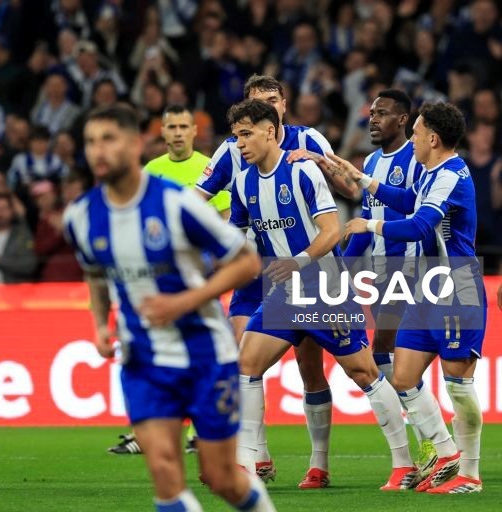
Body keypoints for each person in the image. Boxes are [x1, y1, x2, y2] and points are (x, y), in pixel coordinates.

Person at [64, 104, 274, 512]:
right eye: (90, 142)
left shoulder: (178, 203)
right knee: (164, 474)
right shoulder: (81, 216)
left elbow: (246, 261)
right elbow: (94, 273)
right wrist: (100, 325)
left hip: (205, 355)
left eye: (108, 139)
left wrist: (183, 301)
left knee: (220, 478)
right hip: (144, 360)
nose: (98, 151)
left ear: (134, 143)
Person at [227, 99, 416, 491]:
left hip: (323, 289)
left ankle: (404, 463)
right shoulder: (243, 182)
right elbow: (236, 235)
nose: (240, 143)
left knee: (363, 372)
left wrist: (297, 261)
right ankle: (245, 463)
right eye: (235, 136)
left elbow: (332, 231)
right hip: (283, 292)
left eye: (246, 134)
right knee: (246, 363)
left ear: (269, 131)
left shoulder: (301, 173)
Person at [196, 74, 357, 488]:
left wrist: (324, 165)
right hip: (255, 271)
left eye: (273, 100)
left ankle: (318, 463)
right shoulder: (234, 148)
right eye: (257, 101)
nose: (267, 106)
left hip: (305, 272)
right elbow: (200, 196)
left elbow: (348, 189)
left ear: (283, 105)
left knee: (310, 368)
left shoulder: (311, 141)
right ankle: (257, 458)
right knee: (244, 358)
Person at [340, 101, 487, 493]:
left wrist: (367, 223)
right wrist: (365, 181)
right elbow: (408, 202)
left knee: (457, 384)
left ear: (433, 139)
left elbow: (422, 226)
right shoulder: (430, 171)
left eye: (419, 132)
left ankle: (470, 474)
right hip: (426, 287)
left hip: (458, 286)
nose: (415, 139)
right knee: (403, 377)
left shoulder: (451, 176)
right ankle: (446, 454)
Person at [108, 103, 230, 455]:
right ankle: (146, 431)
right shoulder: (151, 170)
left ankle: (198, 430)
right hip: (160, 279)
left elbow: (224, 217)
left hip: (198, 279)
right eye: (171, 127)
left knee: (199, 353)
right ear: (161, 133)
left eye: (183, 126)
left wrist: (208, 258)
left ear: (195, 131)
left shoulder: (209, 168)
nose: (177, 132)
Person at [341, 89, 437, 472]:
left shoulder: (414, 159)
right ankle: (430, 439)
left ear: (402, 120)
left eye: (382, 113)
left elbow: (416, 215)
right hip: (380, 273)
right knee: (388, 358)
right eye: (371, 113)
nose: (373, 119)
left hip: (410, 270)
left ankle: (433, 444)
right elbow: (364, 227)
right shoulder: (370, 163)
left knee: (389, 354)